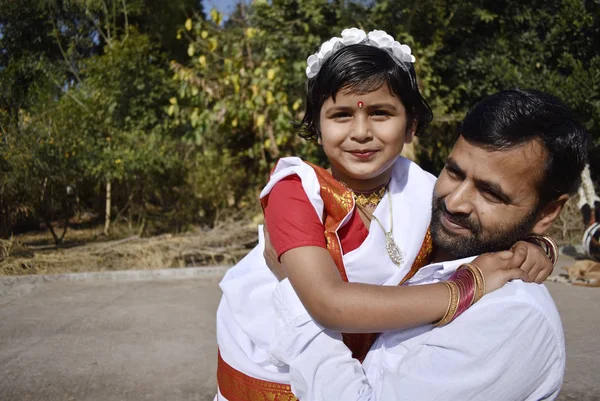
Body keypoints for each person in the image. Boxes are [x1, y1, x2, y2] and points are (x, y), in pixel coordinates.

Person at [215, 29, 553, 400]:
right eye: (341, 115)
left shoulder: (426, 190)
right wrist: (465, 288)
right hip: (275, 368)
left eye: (381, 113)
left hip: (351, 369)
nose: (361, 132)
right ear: (316, 126)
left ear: (410, 125)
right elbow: (328, 304)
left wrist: (534, 244)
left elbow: (480, 230)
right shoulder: (295, 191)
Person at [266, 88, 589, 401]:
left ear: (548, 212)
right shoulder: (426, 226)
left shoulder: (512, 318)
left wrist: (293, 290)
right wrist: (539, 243)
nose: (456, 201)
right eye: (453, 172)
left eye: (491, 193)